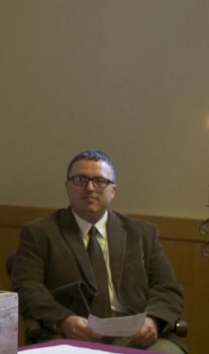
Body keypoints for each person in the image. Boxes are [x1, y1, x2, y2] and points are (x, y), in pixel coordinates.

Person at [10, 149, 186, 353]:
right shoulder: (39, 233)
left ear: (113, 190)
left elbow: (167, 288)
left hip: (137, 337)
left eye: (100, 181)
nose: (90, 188)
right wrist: (63, 319)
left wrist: (153, 320)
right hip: (70, 336)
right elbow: (27, 287)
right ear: (67, 187)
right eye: (80, 179)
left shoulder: (142, 233)